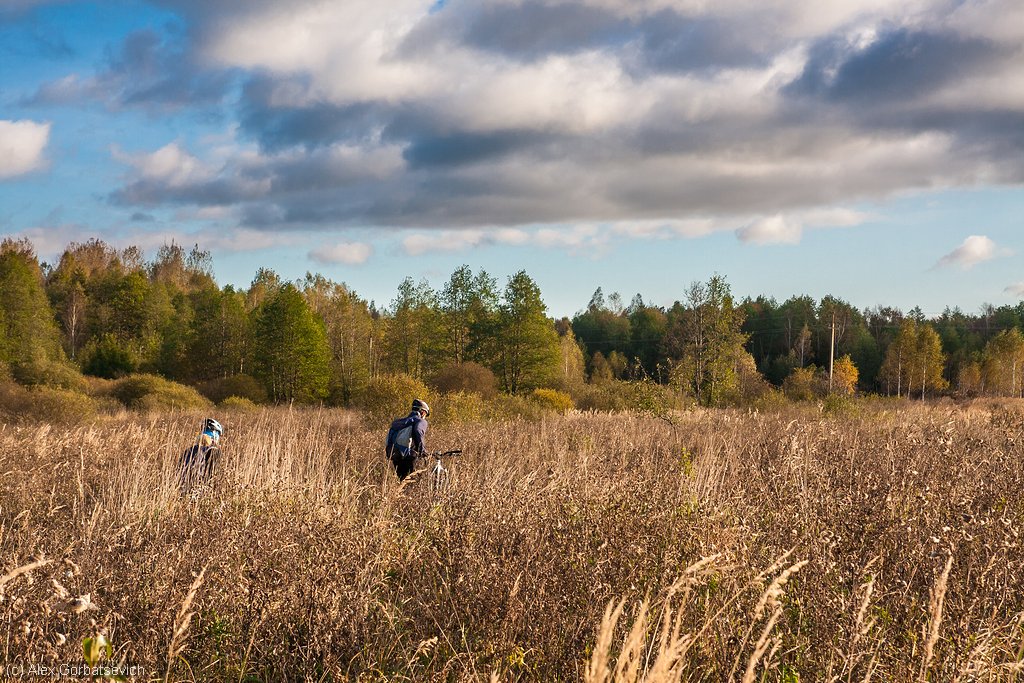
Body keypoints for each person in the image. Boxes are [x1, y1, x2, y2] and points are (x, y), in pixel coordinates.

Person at [385, 399, 430, 480]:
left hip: (395, 454)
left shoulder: (400, 422)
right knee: (413, 481)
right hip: (409, 456)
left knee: (402, 480)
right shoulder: (420, 421)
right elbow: (418, 431)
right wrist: (422, 451)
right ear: (423, 412)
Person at [179, 417, 223, 493]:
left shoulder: (189, 450)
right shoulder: (213, 451)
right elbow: (214, 475)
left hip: (183, 489)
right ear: (215, 435)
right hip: (200, 490)